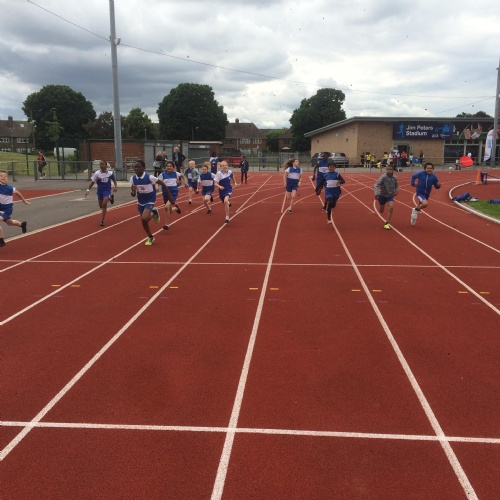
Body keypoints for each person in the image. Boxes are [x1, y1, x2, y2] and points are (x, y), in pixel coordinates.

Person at [130, 160, 174, 245]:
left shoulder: (149, 177)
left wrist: (169, 195)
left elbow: (162, 183)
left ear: (143, 168)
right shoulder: (133, 179)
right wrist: (132, 192)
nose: (136, 169)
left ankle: (153, 212)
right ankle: (150, 236)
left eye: (138, 167)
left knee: (144, 218)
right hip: (141, 200)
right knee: (144, 221)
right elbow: (133, 193)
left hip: (150, 199)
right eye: (135, 167)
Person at [0, 169, 30, 247]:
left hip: (7, 209)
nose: (3, 177)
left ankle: (1, 240)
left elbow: (18, 193)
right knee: (10, 223)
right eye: (1, 176)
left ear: (7, 178)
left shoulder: (10, 188)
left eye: (5, 176)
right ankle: (22, 224)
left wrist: (24, 201)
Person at [85, 160, 118, 226]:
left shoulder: (110, 173)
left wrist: (115, 187)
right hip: (100, 191)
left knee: (104, 204)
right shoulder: (97, 174)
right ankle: (111, 198)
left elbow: (114, 181)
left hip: (107, 190)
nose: (101, 166)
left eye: (103, 164)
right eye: (100, 165)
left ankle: (102, 220)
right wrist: (88, 190)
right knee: (101, 206)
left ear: (106, 165)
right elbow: (92, 182)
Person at [157, 160, 184, 230]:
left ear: (173, 167)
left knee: (166, 207)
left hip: (173, 192)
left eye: (170, 166)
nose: (169, 167)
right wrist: (157, 186)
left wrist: (186, 183)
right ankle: (175, 208)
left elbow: (182, 175)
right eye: (167, 166)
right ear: (165, 167)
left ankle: (167, 224)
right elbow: (157, 181)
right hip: (165, 193)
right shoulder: (162, 175)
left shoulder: (176, 173)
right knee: (169, 210)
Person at [374, 163, 398, 230]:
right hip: (382, 195)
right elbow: (376, 185)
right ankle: (381, 205)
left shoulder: (394, 177)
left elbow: (396, 185)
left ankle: (387, 223)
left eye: (390, 169)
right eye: (387, 169)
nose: (389, 171)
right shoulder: (383, 177)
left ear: (393, 170)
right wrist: (376, 194)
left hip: (390, 195)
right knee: (381, 211)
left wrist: (396, 190)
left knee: (391, 206)